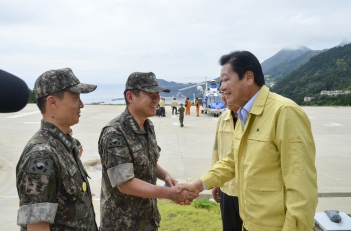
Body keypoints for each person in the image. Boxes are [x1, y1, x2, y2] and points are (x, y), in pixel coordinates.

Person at [178, 51, 318, 231]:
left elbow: (301, 188)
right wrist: (198, 185)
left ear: (249, 77)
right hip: (249, 224)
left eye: (226, 79)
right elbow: (231, 161)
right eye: (221, 82)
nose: (222, 87)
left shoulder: (284, 113)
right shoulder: (245, 114)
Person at [98, 72, 197, 231]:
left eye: (157, 94)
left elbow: (148, 161)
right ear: (130, 97)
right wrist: (169, 193)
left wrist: (166, 176)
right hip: (121, 225)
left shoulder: (147, 126)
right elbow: (125, 184)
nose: (156, 99)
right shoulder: (114, 133)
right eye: (150, 94)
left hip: (147, 221)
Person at [16, 68, 98, 231]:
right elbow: (38, 227)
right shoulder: (42, 154)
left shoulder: (63, 144)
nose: (81, 105)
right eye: (76, 98)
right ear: (52, 102)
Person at [212, 95, 242, 231]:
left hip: (248, 191)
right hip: (226, 188)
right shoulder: (223, 118)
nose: (225, 97)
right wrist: (215, 181)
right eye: (223, 92)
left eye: (229, 92)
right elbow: (216, 150)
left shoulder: (253, 119)